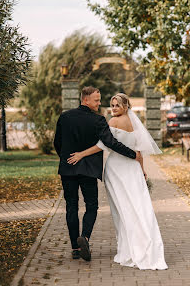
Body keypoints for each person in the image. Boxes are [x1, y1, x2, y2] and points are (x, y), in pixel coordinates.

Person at [67, 93, 168, 270]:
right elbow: (138, 152)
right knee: (139, 207)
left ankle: (129, 250)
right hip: (133, 169)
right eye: (112, 105)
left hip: (117, 170)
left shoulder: (113, 123)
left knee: (122, 211)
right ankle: (145, 247)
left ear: (125, 106)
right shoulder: (135, 123)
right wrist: (142, 169)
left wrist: (81, 154)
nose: (113, 108)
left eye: (117, 106)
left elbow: (102, 145)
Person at [54, 87, 141, 261]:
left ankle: (76, 247)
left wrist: (65, 159)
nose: (99, 103)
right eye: (96, 100)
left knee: (71, 206)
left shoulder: (65, 117)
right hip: (88, 171)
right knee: (91, 206)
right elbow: (111, 143)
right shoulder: (98, 120)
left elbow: (58, 143)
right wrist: (133, 154)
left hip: (68, 169)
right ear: (85, 100)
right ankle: (85, 237)